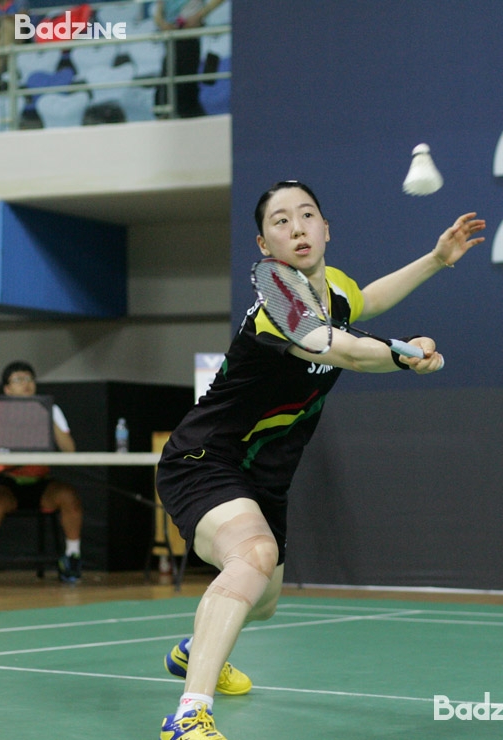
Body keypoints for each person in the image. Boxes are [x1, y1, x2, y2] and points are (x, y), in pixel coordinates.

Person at [155, 180, 486, 739]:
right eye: (281, 221)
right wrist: (404, 357)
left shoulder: (334, 290)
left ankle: (197, 649)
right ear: (265, 246)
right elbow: (349, 352)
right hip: (206, 458)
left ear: (326, 228)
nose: (298, 227)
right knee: (254, 554)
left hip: (265, 475)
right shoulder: (278, 306)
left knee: (262, 601)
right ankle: (189, 716)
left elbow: (367, 301)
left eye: (307, 214)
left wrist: (435, 259)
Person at [0, 361, 83, 585]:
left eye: (29, 379)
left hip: (40, 483)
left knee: (68, 496)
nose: (26, 384)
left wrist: (46, 414)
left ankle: (72, 556)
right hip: (7, 484)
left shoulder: (51, 410)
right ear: (7, 389)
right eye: (18, 380)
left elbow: (70, 449)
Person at [154, 0, 225, 118]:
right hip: (170, 38)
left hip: (189, 37)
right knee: (166, 86)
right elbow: (158, 11)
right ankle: (166, 116)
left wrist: (199, 15)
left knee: (185, 85)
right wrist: (162, 24)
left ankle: (190, 117)